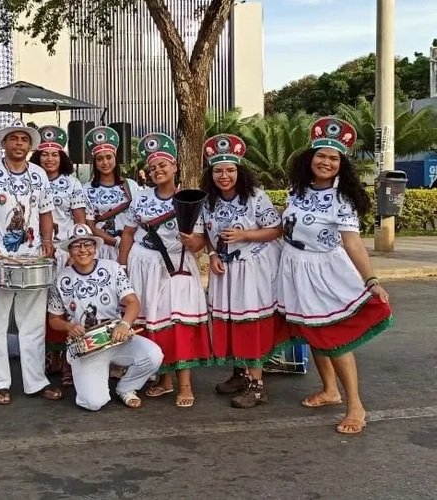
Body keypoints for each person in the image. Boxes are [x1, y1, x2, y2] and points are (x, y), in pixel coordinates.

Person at [278, 117, 393, 434]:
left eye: (334, 158)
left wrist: (371, 280)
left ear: (341, 165)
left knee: (335, 338)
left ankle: (356, 406)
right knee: (313, 332)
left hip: (324, 272)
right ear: (310, 158)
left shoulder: (341, 199)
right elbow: (285, 224)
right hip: (295, 268)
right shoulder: (296, 190)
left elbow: (352, 242)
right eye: (321, 155)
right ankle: (330, 390)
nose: (326, 162)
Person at [0, 119, 63, 405]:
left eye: (24, 139)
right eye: (14, 138)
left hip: (32, 256)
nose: (19, 143)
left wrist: (47, 241)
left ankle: (36, 381)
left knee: (33, 322)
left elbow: (45, 210)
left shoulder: (39, 174)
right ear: (4, 143)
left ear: (30, 145)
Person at [118, 132, 211, 408]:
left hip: (177, 267)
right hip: (143, 264)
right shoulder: (141, 199)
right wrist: (122, 267)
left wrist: (191, 241)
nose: (158, 170)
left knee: (179, 322)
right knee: (151, 321)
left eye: (163, 165)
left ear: (174, 167)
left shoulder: (189, 198)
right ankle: (164, 380)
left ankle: (185, 385)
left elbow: (200, 242)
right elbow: (127, 234)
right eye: (153, 167)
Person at [200, 133, 284, 408]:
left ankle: (256, 385)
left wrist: (245, 235)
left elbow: (275, 229)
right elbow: (208, 235)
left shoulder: (255, 197)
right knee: (230, 321)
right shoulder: (208, 202)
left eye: (230, 170)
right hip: (225, 270)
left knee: (250, 322)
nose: (224, 176)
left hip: (252, 269)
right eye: (218, 171)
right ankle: (240, 373)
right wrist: (212, 254)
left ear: (239, 171)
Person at [48, 223, 162, 410]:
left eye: (88, 244)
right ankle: (95, 381)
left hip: (115, 336)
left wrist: (124, 324)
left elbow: (133, 303)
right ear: (69, 250)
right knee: (93, 403)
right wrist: (69, 327)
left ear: (95, 248)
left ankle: (126, 388)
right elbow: (54, 319)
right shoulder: (60, 280)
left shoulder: (112, 268)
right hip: (86, 345)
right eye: (76, 246)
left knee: (153, 355)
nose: (83, 250)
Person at [29, 126, 88, 385]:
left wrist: (76, 252)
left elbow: (80, 221)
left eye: (54, 154)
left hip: (64, 252)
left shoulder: (72, 183)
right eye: (44, 154)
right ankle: (50, 358)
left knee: (66, 304)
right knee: (42, 307)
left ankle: (67, 360)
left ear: (61, 157)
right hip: (39, 251)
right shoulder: (31, 179)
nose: (49, 159)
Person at [84, 126, 140, 261]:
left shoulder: (131, 186)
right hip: (100, 248)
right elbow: (89, 225)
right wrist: (115, 242)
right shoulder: (87, 189)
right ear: (95, 162)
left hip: (128, 248)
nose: (105, 162)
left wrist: (125, 243)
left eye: (109, 157)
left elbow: (139, 219)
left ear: (115, 158)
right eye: (100, 159)